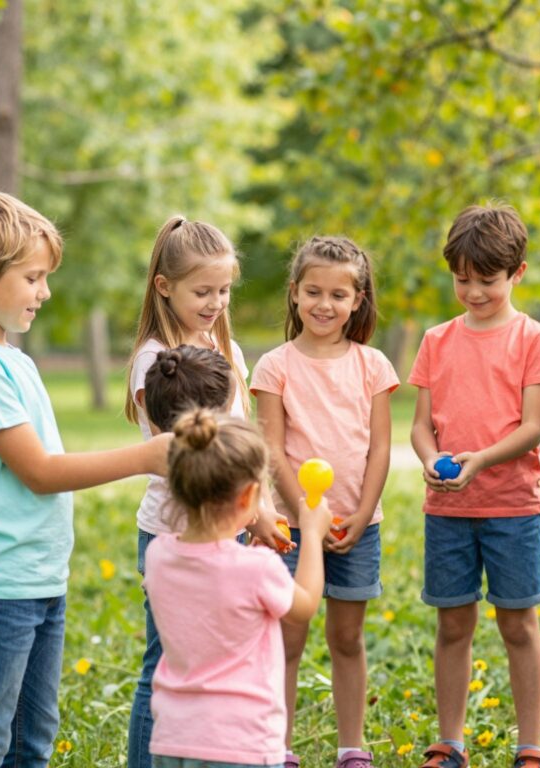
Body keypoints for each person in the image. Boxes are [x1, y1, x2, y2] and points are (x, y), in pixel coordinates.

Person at [0, 191, 171, 768]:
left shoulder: (13, 359)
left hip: (37, 578)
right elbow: (39, 472)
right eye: (33, 278)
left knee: (30, 745)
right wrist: (146, 457)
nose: (45, 291)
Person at [125, 216, 289, 768]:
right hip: (173, 532)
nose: (216, 301)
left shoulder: (229, 351)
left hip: (228, 530)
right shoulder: (154, 362)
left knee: (218, 658)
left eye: (223, 289)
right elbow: (183, 457)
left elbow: (243, 442)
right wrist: (249, 511)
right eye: (202, 291)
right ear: (164, 287)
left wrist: (259, 509)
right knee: (165, 663)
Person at [409, 203, 540, 768]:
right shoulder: (436, 340)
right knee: (453, 623)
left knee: (518, 623)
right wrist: (432, 459)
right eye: (462, 279)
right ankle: (449, 742)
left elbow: (533, 428)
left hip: (512, 508)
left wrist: (477, 463)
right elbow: (422, 426)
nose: (473, 292)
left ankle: (531, 745)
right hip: (446, 510)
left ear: (517, 272)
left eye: (487, 281)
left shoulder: (534, 339)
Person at [252, 236, 399, 768]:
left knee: (347, 636)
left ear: (357, 300)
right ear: (294, 294)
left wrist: (362, 512)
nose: (324, 304)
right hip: (290, 528)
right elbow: (270, 447)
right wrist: (303, 514)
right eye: (313, 291)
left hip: (356, 524)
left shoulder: (373, 365)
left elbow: (381, 446)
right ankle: (280, 747)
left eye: (339, 294)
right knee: (287, 639)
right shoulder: (274, 365)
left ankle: (352, 748)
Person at [144, 408, 332, 768]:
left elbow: (209, 583)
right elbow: (305, 605)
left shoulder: (158, 555)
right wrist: (310, 532)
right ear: (247, 498)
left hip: (173, 738)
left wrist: (242, 554)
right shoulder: (256, 569)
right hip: (240, 743)